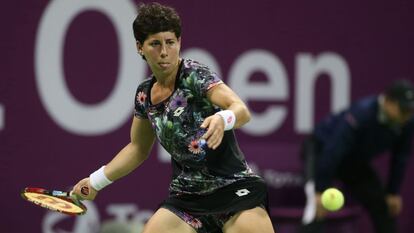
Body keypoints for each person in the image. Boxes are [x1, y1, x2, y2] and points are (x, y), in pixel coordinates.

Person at [72, 3, 275, 233]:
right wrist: (95, 182)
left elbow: (241, 110)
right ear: (140, 47)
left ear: (179, 42)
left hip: (235, 191)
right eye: (155, 44)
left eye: (170, 42)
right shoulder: (144, 94)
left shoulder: (194, 76)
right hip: (187, 198)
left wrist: (223, 118)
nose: (164, 52)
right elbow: (138, 148)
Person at [299, 79, 414, 233]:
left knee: (383, 206)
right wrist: (320, 189)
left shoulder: (406, 123)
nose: (408, 115)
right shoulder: (362, 114)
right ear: (388, 102)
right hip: (320, 151)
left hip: (352, 162)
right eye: (404, 110)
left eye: (411, 111)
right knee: (316, 207)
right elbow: (334, 150)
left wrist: (392, 192)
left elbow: (400, 157)